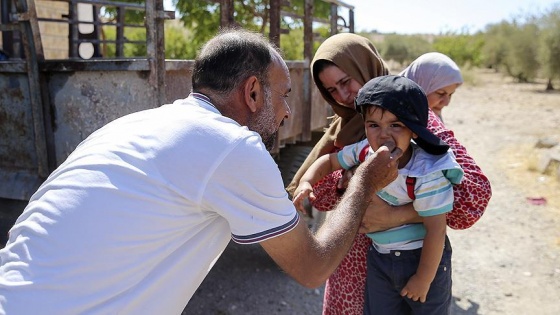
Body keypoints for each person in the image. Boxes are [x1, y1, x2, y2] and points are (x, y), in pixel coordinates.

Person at [0, 29, 402, 314]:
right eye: (283, 96)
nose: (287, 113)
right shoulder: (232, 146)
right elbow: (313, 267)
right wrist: (366, 180)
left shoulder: (133, 124)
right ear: (252, 92)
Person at [286, 33, 492, 315]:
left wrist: (398, 215)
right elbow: (321, 196)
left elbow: (473, 198)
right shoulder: (345, 128)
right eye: (331, 90)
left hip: (404, 265)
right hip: (351, 267)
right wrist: (353, 179)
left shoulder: (408, 116)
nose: (344, 96)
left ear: (365, 66)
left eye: (346, 81)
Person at [294, 75, 463, 314]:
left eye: (396, 125)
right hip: (380, 260)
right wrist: (307, 181)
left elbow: (436, 229)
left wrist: (423, 279)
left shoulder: (426, 171)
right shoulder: (365, 151)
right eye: (373, 125)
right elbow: (329, 160)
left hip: (421, 259)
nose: (383, 135)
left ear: (414, 130)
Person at [400, 52, 464, 121]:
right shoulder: (392, 119)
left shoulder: (432, 121)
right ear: (420, 85)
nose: (446, 103)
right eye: (441, 93)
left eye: (450, 94)